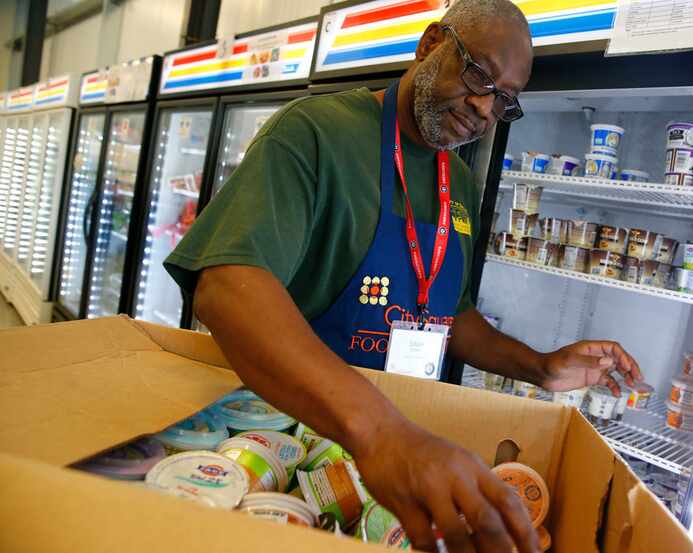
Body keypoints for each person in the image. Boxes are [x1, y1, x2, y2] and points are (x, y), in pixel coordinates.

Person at [165, 1, 642, 551]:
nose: (485, 107)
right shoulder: (316, 134)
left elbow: (449, 315)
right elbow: (226, 287)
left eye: (505, 100)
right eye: (479, 75)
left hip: (399, 452)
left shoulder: (459, 184)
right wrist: (381, 433)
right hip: (288, 444)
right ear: (430, 44)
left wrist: (540, 366)